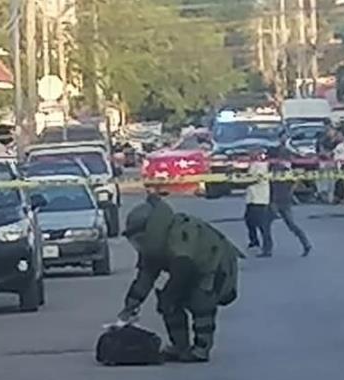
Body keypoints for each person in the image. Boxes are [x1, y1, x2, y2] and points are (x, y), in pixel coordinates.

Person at [117, 195, 244, 363]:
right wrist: (131, 305)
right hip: (190, 269)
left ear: (151, 230)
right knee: (168, 303)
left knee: (201, 302)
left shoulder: (180, 232)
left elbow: (183, 267)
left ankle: (201, 349)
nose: (138, 245)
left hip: (214, 266)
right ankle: (180, 347)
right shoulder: (153, 246)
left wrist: (170, 294)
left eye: (139, 239)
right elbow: (145, 278)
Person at [270, 136, 312, 256]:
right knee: (291, 224)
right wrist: (291, 191)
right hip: (283, 198)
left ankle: (266, 247)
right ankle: (305, 243)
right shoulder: (286, 168)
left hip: (278, 198)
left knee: (266, 223)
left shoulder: (280, 168)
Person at [244, 147, 273, 257]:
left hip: (260, 199)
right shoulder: (253, 164)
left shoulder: (261, 165)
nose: (250, 154)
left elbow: (257, 178)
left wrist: (244, 180)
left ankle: (267, 248)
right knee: (249, 220)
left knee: (262, 225)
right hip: (252, 198)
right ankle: (254, 241)